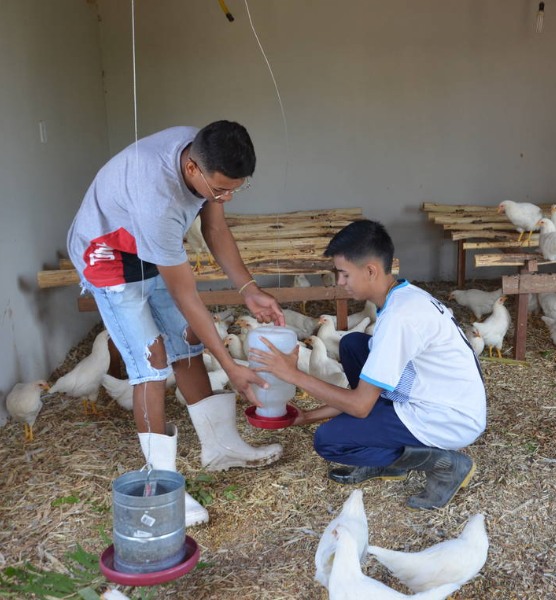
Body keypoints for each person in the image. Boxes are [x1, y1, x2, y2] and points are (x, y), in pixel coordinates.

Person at [67, 121, 285, 527]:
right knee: (150, 363)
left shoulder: (206, 151)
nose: (226, 196)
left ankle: (221, 447)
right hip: (108, 254)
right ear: (191, 170)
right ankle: (162, 487)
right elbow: (188, 298)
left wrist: (249, 288)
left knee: (186, 342)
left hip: (145, 241)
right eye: (220, 189)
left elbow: (215, 227)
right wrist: (231, 367)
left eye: (236, 188)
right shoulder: (158, 201)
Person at [250, 219, 486, 510]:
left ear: (371, 270)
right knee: (353, 345)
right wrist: (306, 416)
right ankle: (392, 457)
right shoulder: (403, 295)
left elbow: (360, 405)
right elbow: (364, 396)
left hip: (448, 418)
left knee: (330, 441)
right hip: (440, 395)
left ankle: (445, 463)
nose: (340, 282)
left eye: (344, 274)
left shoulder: (400, 317)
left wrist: (292, 374)